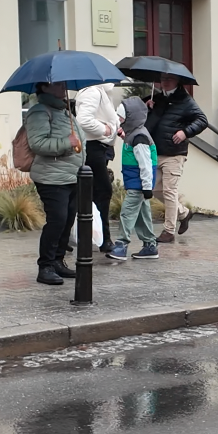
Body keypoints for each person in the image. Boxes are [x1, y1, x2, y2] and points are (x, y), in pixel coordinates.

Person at [25, 81, 83, 286]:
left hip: (71, 175)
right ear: (45, 88)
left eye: (63, 85)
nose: (63, 88)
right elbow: (37, 143)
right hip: (51, 177)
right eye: (58, 85)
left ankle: (58, 260)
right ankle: (46, 266)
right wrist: (68, 142)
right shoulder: (39, 112)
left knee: (67, 220)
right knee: (57, 219)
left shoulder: (64, 111)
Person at [149, 74, 207, 242]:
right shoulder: (157, 99)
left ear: (177, 81)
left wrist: (185, 132)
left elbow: (202, 120)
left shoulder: (185, 100)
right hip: (156, 151)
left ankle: (169, 231)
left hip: (174, 154)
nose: (165, 82)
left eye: (169, 79)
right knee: (154, 190)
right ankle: (184, 213)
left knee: (169, 191)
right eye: (162, 79)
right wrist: (148, 107)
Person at [111, 96, 161, 260]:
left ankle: (121, 246)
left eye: (121, 118)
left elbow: (145, 164)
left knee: (127, 213)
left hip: (137, 184)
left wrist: (146, 187)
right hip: (138, 183)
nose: (119, 120)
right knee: (142, 215)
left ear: (130, 118)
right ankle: (150, 245)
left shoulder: (140, 138)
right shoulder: (135, 134)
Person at [75, 81, 121, 254]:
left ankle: (95, 237)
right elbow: (84, 121)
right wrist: (105, 130)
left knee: (95, 194)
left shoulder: (100, 92)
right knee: (102, 193)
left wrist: (115, 127)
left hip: (98, 148)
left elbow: (108, 118)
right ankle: (103, 239)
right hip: (93, 148)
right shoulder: (93, 92)